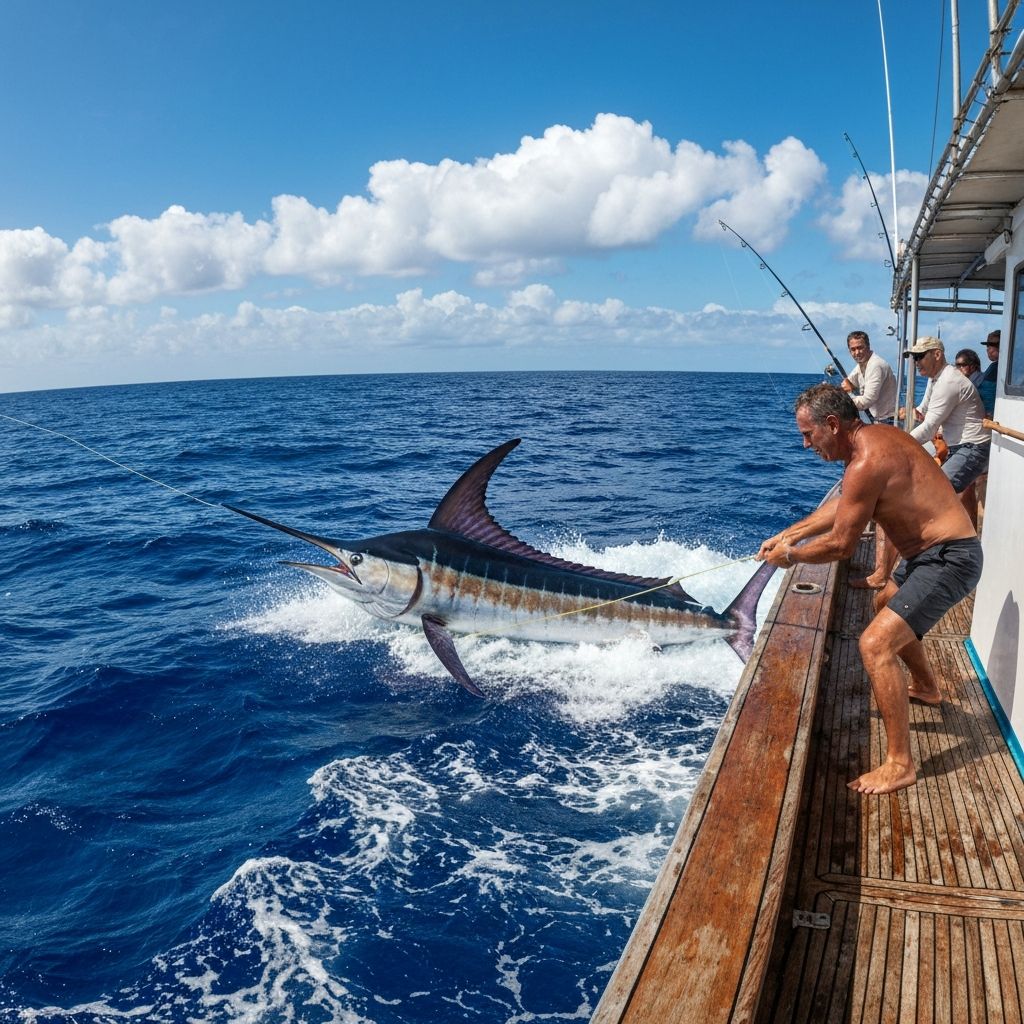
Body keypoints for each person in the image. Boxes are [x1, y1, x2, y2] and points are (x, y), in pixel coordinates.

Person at [757, 384, 982, 795]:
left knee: (874, 646)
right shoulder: (877, 438)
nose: (806, 445)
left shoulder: (865, 461)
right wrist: (786, 535)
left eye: (809, 435)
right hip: (930, 555)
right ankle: (927, 687)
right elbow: (842, 505)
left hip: (951, 559)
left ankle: (900, 764)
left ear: (832, 424)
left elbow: (842, 544)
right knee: (885, 599)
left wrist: (791, 557)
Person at [904, 336, 991, 495]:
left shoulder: (949, 381)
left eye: (920, 356)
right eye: (914, 358)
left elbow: (929, 428)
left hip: (972, 447)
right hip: (955, 445)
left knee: (936, 492)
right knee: (911, 471)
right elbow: (923, 409)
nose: (916, 362)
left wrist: (898, 444)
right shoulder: (935, 378)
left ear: (937, 355)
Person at [840, 330, 898, 423]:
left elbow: (867, 401)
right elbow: (848, 383)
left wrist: (847, 396)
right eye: (853, 349)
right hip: (876, 420)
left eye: (860, 348)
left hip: (888, 421)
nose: (857, 352)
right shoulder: (861, 365)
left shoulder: (875, 365)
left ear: (868, 347)